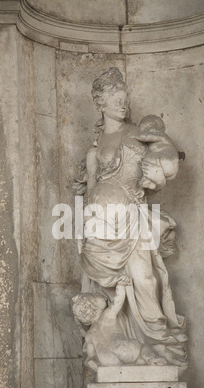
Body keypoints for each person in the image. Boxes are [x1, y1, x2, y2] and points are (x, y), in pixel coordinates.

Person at [74, 67, 187, 368]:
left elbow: (165, 165)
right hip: (100, 222)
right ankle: (116, 344)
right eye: (116, 100)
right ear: (101, 103)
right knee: (109, 288)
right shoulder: (94, 149)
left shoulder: (139, 134)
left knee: (144, 278)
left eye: (124, 99)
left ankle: (158, 344)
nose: (123, 105)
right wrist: (84, 225)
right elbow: (93, 187)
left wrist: (159, 175)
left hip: (133, 217)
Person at [72, 281, 168, 372]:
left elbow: (91, 356)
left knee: (118, 369)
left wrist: (93, 361)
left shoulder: (89, 334)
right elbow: (118, 301)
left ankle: (121, 369)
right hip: (122, 347)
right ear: (95, 305)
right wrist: (121, 284)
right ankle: (152, 358)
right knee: (142, 347)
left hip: (105, 357)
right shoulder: (106, 316)